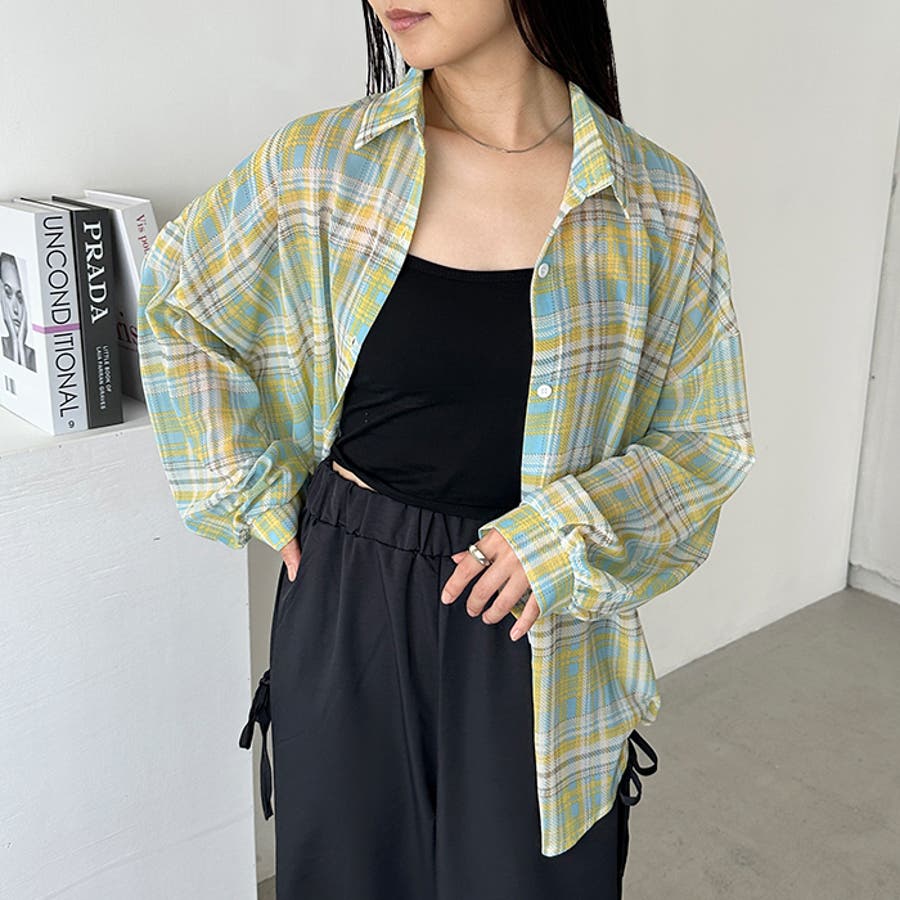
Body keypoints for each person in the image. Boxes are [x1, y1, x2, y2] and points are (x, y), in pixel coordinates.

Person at [137, 1, 756, 897]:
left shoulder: (657, 204)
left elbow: (706, 439)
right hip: (349, 593)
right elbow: (180, 307)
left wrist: (565, 534)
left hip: (542, 611)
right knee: (349, 877)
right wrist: (254, 490)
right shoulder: (323, 165)